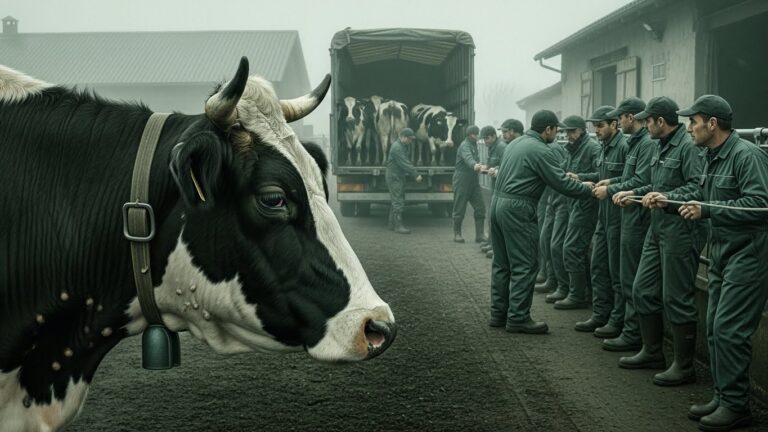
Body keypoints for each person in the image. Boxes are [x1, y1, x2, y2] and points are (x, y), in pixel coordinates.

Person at [648, 95, 768, 431]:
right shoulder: (711, 157)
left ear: (712, 123)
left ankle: (736, 405)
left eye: (693, 121)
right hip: (723, 252)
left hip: (748, 254)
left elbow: (760, 205)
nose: (689, 128)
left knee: (730, 330)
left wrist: (708, 209)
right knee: (715, 328)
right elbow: (703, 198)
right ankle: (723, 395)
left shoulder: (747, 155)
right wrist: (669, 200)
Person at [613, 97, 705, 387]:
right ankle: (652, 352)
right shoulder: (658, 146)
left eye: (647, 120)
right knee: (642, 289)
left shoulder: (688, 147)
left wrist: (667, 199)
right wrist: (634, 195)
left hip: (680, 228)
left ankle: (684, 365)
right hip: (657, 226)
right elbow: (656, 186)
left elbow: (697, 186)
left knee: (676, 297)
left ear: (660, 122)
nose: (644, 124)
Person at [489, 110, 593, 334]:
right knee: (525, 264)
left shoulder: (516, 144)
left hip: (497, 204)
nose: (558, 134)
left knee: (502, 263)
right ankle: (518, 318)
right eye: (556, 130)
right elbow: (561, 183)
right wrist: (590, 190)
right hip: (518, 207)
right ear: (548, 129)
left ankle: (498, 314)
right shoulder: (540, 150)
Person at [594, 97, 653, 352]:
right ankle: (621, 323)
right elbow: (632, 177)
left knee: (628, 277)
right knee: (616, 271)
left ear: (631, 117)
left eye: (621, 117)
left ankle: (631, 332)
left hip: (635, 217)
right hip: (623, 214)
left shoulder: (645, 144)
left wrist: (613, 187)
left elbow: (642, 180)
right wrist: (612, 183)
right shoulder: (635, 143)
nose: (618, 122)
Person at [572, 106, 628, 336]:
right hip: (603, 216)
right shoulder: (604, 147)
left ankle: (616, 321)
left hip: (618, 217)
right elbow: (601, 175)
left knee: (616, 271)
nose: (597, 130)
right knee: (597, 265)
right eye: (595, 126)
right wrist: (582, 178)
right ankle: (600, 313)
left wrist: (609, 187)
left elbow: (630, 179)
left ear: (615, 124)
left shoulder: (624, 146)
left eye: (601, 125)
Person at [546, 116, 600, 310]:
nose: (568, 135)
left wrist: (579, 177)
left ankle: (577, 294)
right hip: (573, 203)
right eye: (566, 131)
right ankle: (574, 290)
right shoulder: (573, 148)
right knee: (568, 247)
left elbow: (602, 176)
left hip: (586, 204)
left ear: (582, 130)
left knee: (572, 248)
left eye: (572, 131)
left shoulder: (592, 148)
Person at [482, 119, 523, 258]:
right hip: (500, 187)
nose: (504, 135)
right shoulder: (504, 145)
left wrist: (497, 171)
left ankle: (499, 250)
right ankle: (495, 246)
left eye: (505, 131)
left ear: (512, 131)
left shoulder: (502, 146)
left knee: (501, 220)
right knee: (495, 218)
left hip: (507, 189)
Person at [452, 125, 487, 243]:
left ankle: (480, 235)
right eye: (477, 134)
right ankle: (457, 234)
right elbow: (468, 158)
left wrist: (479, 164)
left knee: (480, 207)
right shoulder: (465, 145)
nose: (478, 136)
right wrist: (474, 165)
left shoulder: (473, 144)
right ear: (471, 135)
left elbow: (473, 159)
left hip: (472, 180)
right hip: (462, 179)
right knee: (459, 207)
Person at [386, 127, 423, 234]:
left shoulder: (402, 145)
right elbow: (404, 163)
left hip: (397, 175)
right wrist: (415, 174)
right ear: (403, 137)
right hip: (394, 176)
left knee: (396, 198)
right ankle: (398, 226)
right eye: (409, 139)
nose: (411, 141)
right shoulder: (397, 147)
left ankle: (391, 224)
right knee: (398, 199)